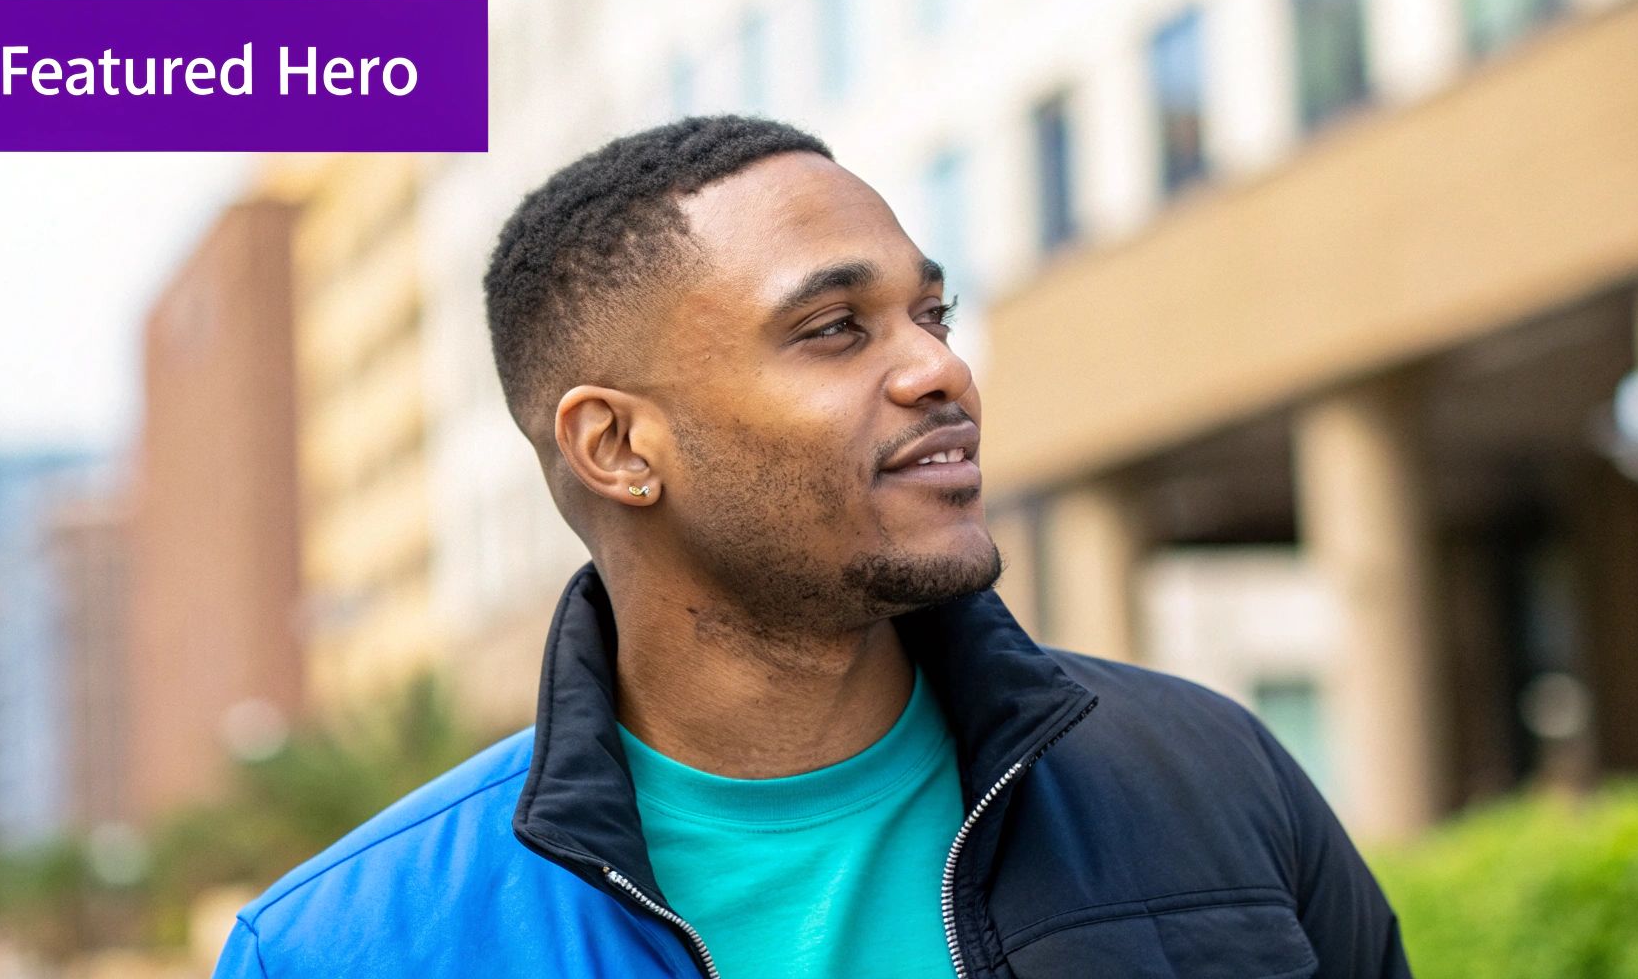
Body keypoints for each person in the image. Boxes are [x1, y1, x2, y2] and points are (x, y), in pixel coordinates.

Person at [211, 115, 1411, 978]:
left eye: (929, 313)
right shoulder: (342, 946)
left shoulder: (1207, 777)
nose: (938, 368)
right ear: (617, 444)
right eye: (834, 329)